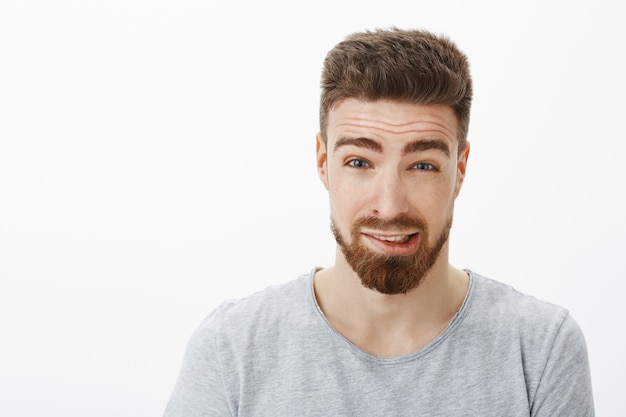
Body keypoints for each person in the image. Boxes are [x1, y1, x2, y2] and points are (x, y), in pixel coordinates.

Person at [163, 27, 594, 416]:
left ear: (459, 169)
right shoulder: (232, 348)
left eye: (422, 165)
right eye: (359, 161)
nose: (389, 207)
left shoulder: (541, 350)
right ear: (323, 162)